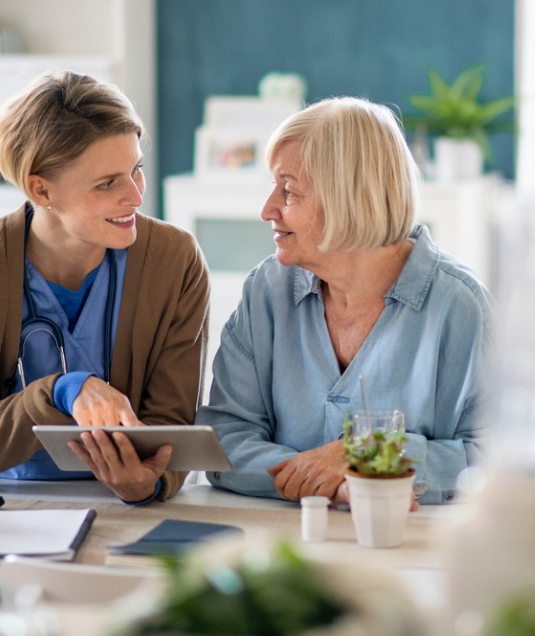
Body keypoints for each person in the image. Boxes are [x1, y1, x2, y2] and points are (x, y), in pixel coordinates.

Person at [0, 70, 210, 504]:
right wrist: (60, 391)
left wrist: (148, 483)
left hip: (122, 510)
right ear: (41, 189)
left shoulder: (174, 261)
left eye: (137, 171)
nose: (135, 197)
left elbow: (171, 432)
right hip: (1, 509)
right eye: (107, 183)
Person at [196, 96, 492, 505]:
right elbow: (225, 440)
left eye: (288, 190)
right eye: (272, 187)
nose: (268, 210)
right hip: (282, 538)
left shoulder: (461, 308)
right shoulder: (266, 291)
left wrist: (365, 454)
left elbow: (496, 459)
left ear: (348, 198)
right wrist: (337, 481)